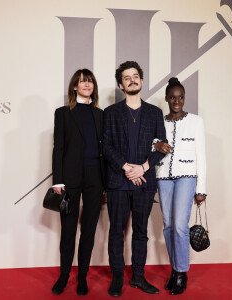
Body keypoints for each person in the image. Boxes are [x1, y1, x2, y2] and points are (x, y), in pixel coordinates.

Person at [103, 61, 166, 297]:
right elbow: (106, 146)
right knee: (116, 231)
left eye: (135, 76)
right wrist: (126, 167)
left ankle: (138, 276)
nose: (132, 79)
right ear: (121, 84)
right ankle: (117, 275)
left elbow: (162, 147)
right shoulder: (111, 113)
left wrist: (143, 167)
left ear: (141, 80)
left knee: (140, 231)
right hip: (118, 181)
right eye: (127, 77)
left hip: (144, 182)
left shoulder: (155, 113)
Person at [51, 69, 105, 296]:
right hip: (70, 179)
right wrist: (58, 180)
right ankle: (64, 275)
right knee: (68, 230)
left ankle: (82, 276)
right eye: (82, 81)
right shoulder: (63, 113)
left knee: (89, 231)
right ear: (74, 86)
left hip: (95, 178)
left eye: (90, 80)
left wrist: (106, 182)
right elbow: (59, 148)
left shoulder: (100, 114)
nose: (87, 84)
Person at [153, 77, 207, 295]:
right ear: (167, 99)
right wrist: (155, 144)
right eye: (173, 97)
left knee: (180, 226)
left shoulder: (196, 121)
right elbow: (151, 144)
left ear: (184, 98)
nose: (177, 101)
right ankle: (175, 270)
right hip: (163, 176)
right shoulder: (160, 121)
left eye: (181, 97)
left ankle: (182, 272)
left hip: (187, 176)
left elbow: (201, 155)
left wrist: (201, 188)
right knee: (167, 225)